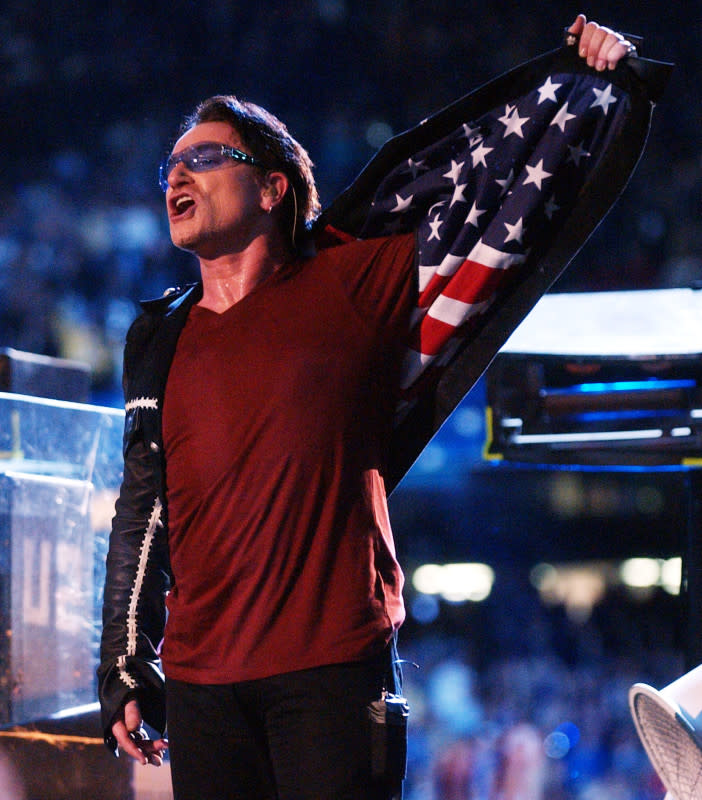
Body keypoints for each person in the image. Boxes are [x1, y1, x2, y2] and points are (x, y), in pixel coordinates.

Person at [98, 15, 638, 800]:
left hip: (330, 675)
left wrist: (591, 82)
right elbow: (143, 510)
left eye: (206, 157)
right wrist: (123, 663)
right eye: (170, 165)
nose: (178, 174)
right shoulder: (157, 335)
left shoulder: (353, 282)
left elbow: (497, 185)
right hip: (202, 685)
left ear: (273, 186)